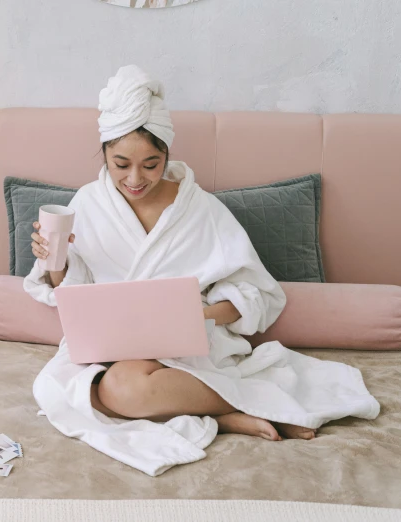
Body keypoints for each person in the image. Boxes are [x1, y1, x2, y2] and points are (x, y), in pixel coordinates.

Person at [23, 65, 379, 474]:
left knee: (119, 392)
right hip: (112, 348)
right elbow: (71, 295)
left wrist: (198, 314)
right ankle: (233, 413)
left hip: (189, 346)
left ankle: (241, 406)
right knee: (61, 388)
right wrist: (57, 261)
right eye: (121, 164)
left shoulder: (200, 209)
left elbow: (255, 293)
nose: (135, 179)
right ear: (103, 151)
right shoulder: (86, 204)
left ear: (168, 155)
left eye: (151, 164)